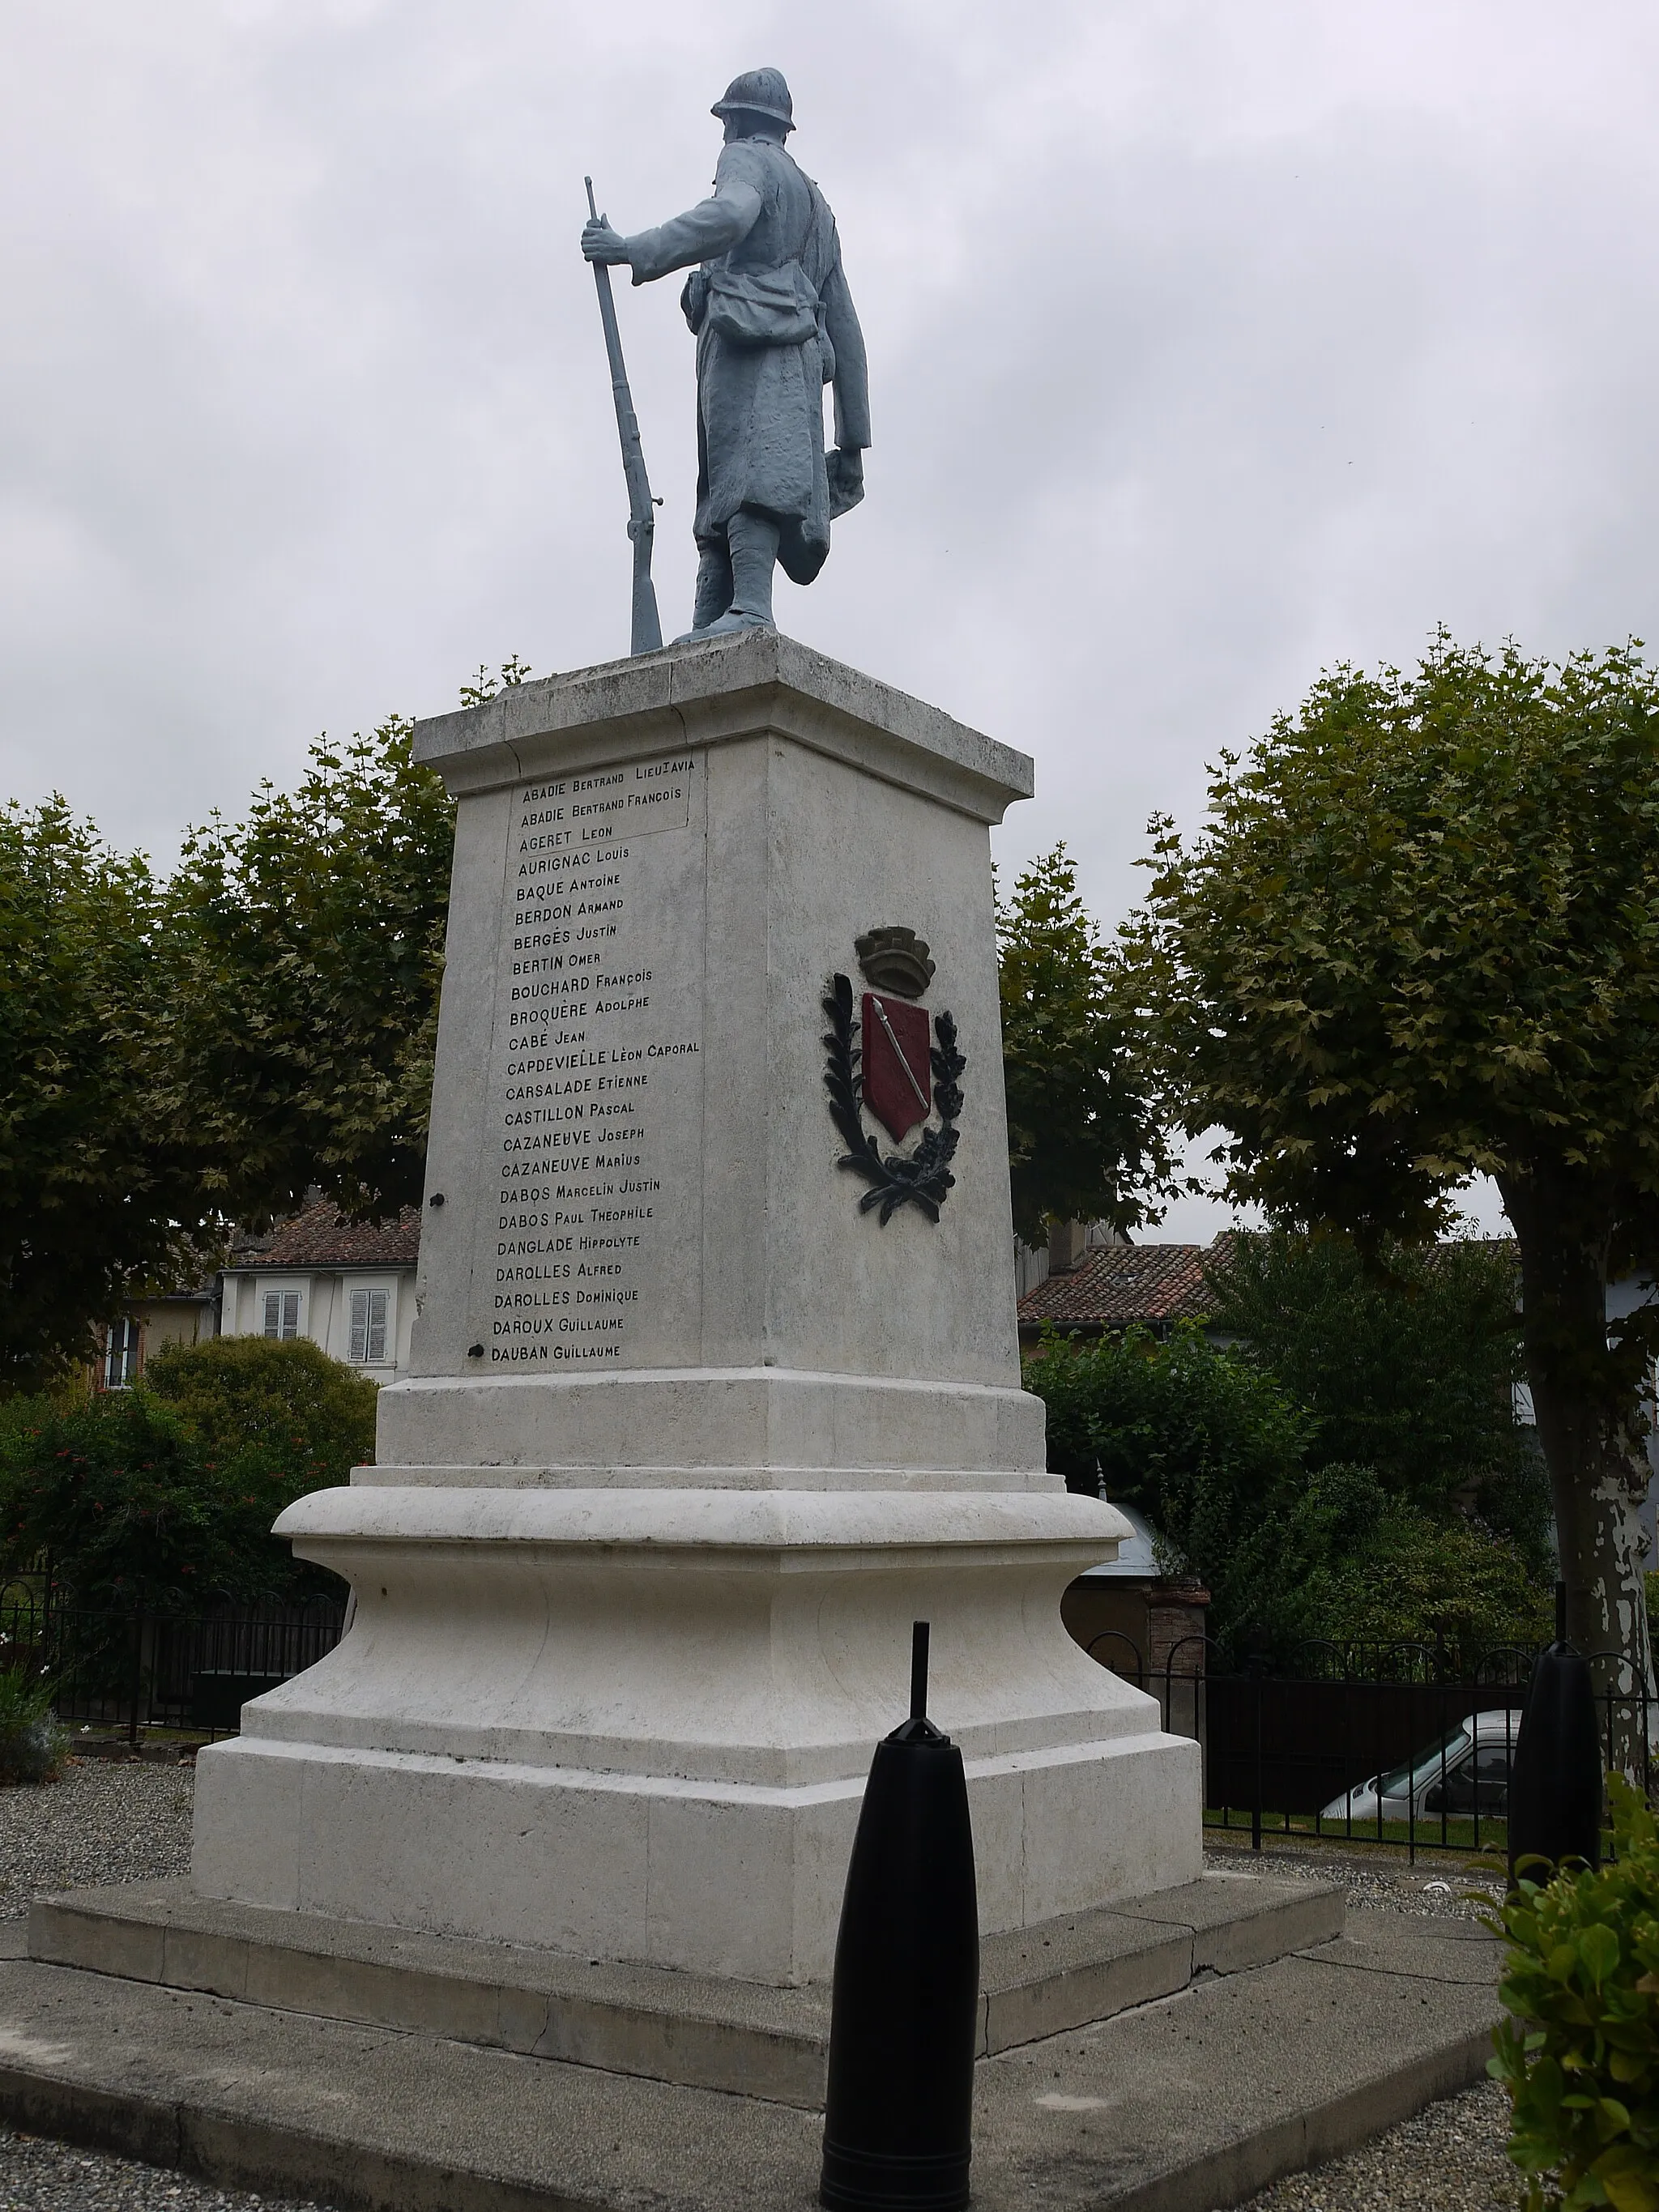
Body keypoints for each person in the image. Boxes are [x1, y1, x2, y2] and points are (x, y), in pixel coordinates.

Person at [582, 68, 870, 640]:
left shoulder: (746, 161)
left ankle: (751, 607)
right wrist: (853, 440)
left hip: (748, 345)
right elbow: (846, 325)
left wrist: (632, 248)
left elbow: (731, 216)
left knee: (744, 476)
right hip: (794, 360)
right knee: (723, 486)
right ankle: (714, 616)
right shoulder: (819, 212)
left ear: (737, 122)